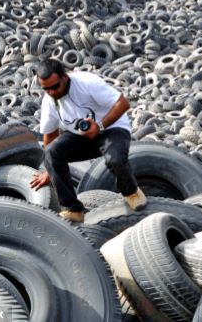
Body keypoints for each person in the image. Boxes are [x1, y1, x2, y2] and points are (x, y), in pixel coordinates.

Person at [30, 59, 146, 222]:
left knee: (115, 160)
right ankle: (73, 209)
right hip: (81, 136)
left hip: (112, 128)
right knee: (51, 152)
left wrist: (99, 126)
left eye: (55, 86)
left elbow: (123, 103)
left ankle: (131, 192)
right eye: (46, 88)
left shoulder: (86, 82)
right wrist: (51, 169)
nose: (51, 92)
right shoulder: (49, 101)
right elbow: (50, 135)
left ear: (65, 78)